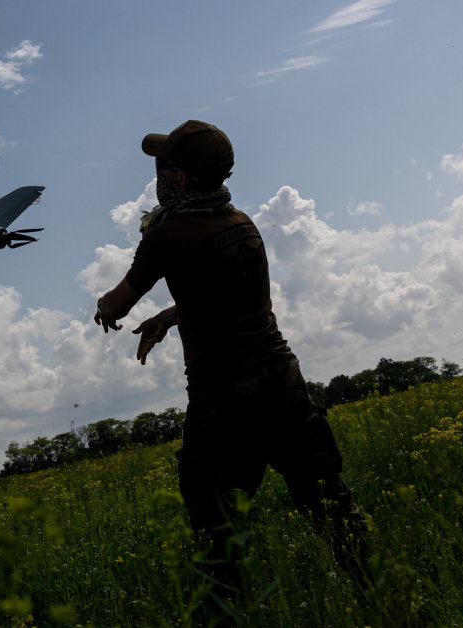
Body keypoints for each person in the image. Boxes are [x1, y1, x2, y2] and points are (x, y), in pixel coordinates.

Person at [92, 120, 368, 601]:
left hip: (224, 398)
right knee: (330, 505)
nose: (156, 175)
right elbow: (227, 296)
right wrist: (170, 316)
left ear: (177, 180)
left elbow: (116, 305)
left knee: (215, 531)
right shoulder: (242, 223)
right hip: (283, 382)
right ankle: (392, 600)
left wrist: (103, 306)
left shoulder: (168, 235)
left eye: (163, 167)